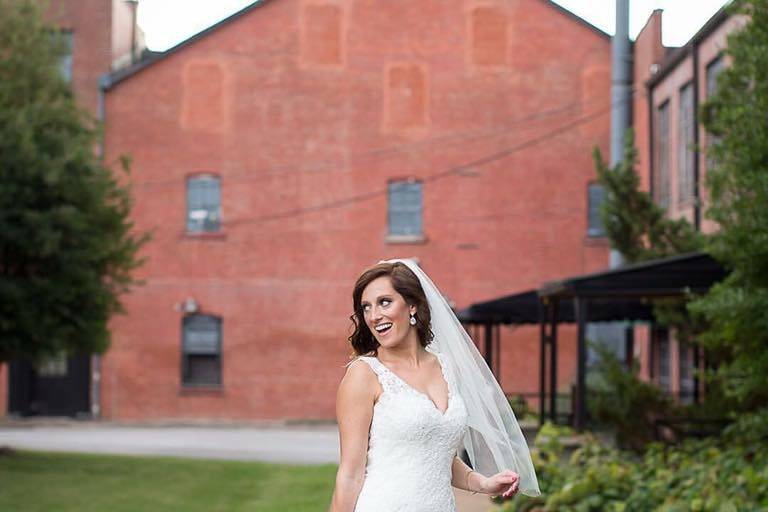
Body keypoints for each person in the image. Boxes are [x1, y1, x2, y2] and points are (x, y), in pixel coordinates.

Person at [330, 260, 539, 512]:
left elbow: (437, 452)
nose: (374, 316)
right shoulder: (364, 375)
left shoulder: (447, 367)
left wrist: (483, 483)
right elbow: (350, 476)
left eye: (384, 302)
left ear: (412, 306)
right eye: (366, 307)